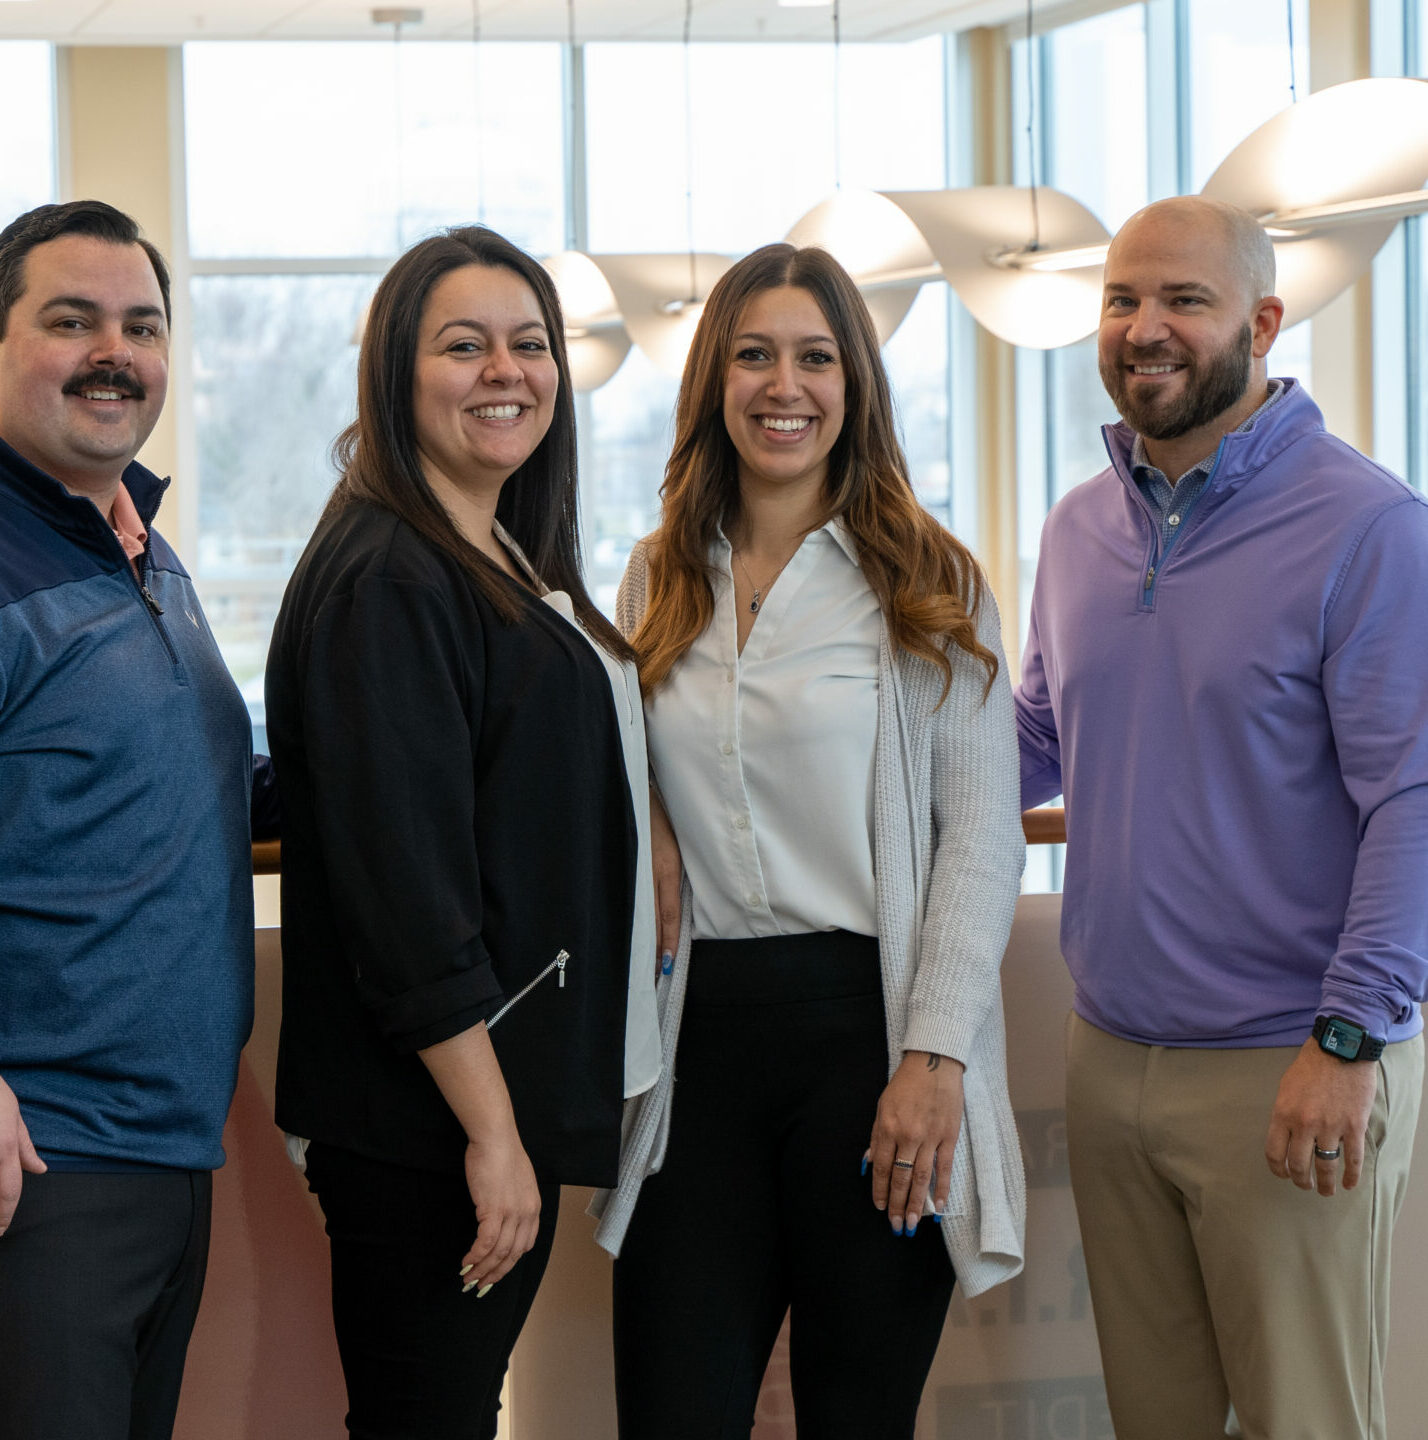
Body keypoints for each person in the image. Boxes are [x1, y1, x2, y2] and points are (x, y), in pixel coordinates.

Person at [593, 242, 1027, 1440]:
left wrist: (933, 1061)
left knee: (856, 1419)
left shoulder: (928, 582)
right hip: (700, 1053)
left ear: (855, 386)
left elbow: (983, 841)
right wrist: (663, 830)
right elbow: (629, 777)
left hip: (872, 1043)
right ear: (714, 383)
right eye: (754, 355)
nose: (784, 386)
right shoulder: (655, 576)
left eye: (815, 358)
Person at [1014, 195, 1428, 1440]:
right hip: (1110, 1056)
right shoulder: (1079, 527)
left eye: (1184, 301)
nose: (1147, 328)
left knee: (1307, 1423)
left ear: (1259, 321)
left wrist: (1349, 1040)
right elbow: (1034, 737)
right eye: (1122, 300)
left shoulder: (1369, 528)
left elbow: (1413, 798)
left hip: (1288, 1065)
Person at [264, 224, 661, 1440]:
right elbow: (407, 892)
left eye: (530, 344)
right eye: (464, 345)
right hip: (433, 1132)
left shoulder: (485, 543)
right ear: (397, 373)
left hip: (486, 1110)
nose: (507, 371)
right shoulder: (392, 577)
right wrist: (495, 1134)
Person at [0, 200, 268, 1440]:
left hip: (156, 1156)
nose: (116, 351)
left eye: (141, 325)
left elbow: (206, 786)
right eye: (72, 320)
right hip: (8, 1162)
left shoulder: (138, 548)